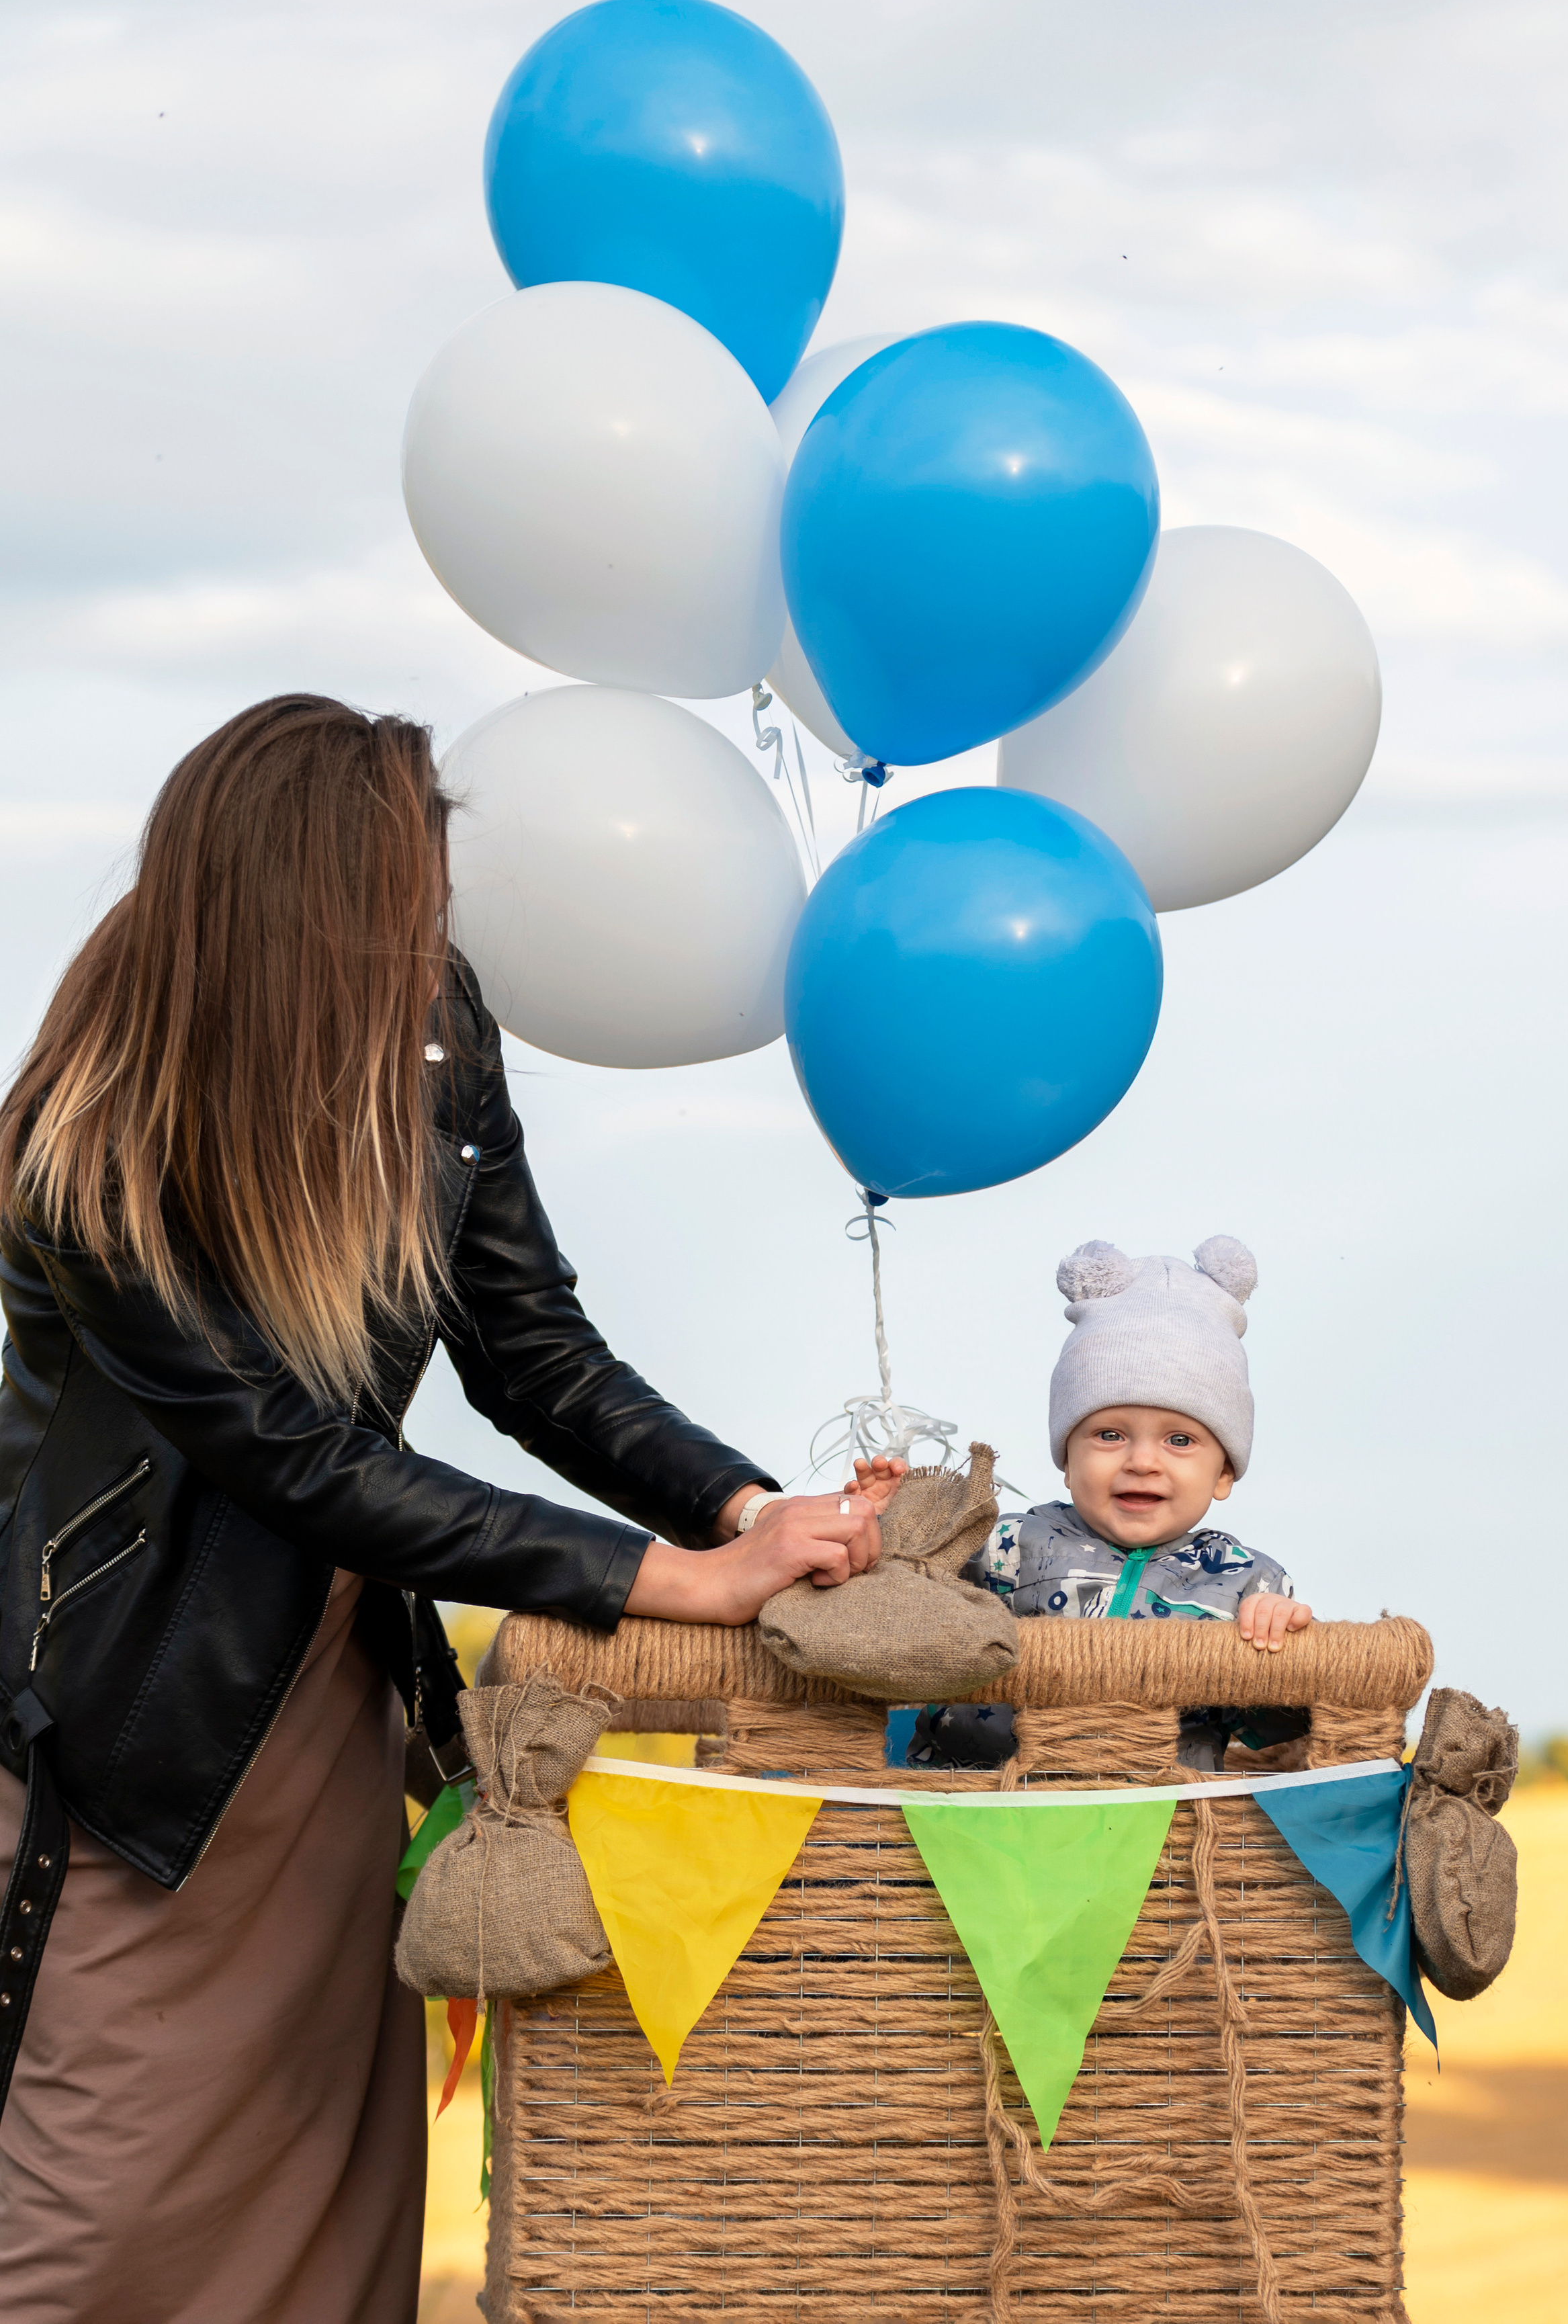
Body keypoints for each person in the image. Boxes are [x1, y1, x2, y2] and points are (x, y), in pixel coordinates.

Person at [0, 695, 877, 2324]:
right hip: (123, 1735)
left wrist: (753, 1509)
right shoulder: (91, 1134)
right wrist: (671, 1580)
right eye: (409, 886)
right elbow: (293, 1455)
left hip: (320, 1695)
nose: (439, 920)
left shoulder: (432, 1030)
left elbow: (534, 1352)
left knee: (327, 2192)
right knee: (96, 2201)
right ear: (307, 909)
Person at [855, 1234, 1313, 1771]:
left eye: (1180, 1439)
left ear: (1225, 1472)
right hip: (975, 1800)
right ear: (1067, 1460)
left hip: (1156, 1813)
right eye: (1110, 1435)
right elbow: (898, 1608)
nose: (1142, 1460)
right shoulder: (1006, 1543)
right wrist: (884, 1531)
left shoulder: (1245, 1581)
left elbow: (1284, 1729)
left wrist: (1280, 1642)